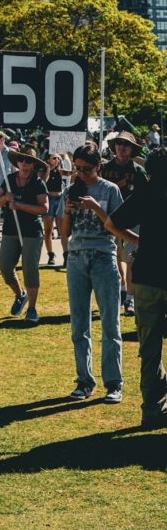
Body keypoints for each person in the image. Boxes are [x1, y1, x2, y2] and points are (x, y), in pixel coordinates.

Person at [106, 146, 167, 426]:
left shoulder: (145, 193)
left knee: (150, 346)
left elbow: (112, 223)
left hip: (146, 277)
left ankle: (151, 409)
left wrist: (140, 242)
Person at [59, 143, 124, 403]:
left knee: (110, 323)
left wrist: (97, 208)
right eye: (77, 169)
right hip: (76, 258)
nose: (82, 174)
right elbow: (64, 232)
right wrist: (66, 212)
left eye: (87, 169)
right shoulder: (70, 191)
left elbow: (117, 229)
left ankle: (114, 383)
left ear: (98, 166)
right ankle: (84, 380)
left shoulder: (110, 190)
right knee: (79, 325)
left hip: (102, 257)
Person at [0, 147, 48, 324]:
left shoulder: (38, 183)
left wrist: (19, 205)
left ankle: (32, 308)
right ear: (17, 162)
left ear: (33, 165)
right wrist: (6, 198)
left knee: (30, 269)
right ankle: (20, 294)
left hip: (32, 232)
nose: (25, 164)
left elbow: (43, 208)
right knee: (4, 266)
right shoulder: (9, 180)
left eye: (29, 161)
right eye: (22, 160)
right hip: (10, 230)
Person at [101, 131, 148, 316]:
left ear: (132, 149)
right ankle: (121, 288)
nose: (121, 147)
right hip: (107, 219)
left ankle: (130, 299)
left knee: (131, 260)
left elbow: (146, 197)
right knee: (113, 258)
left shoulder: (138, 170)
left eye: (126, 144)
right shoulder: (104, 168)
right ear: (114, 147)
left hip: (132, 221)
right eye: (118, 143)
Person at [43, 153, 68, 268]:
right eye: (54, 158)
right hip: (49, 199)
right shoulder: (44, 169)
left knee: (63, 230)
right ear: (48, 159)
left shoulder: (60, 171)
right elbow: (44, 182)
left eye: (58, 158)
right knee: (48, 230)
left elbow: (70, 175)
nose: (57, 160)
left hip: (59, 199)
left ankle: (66, 255)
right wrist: (49, 169)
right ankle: (51, 254)